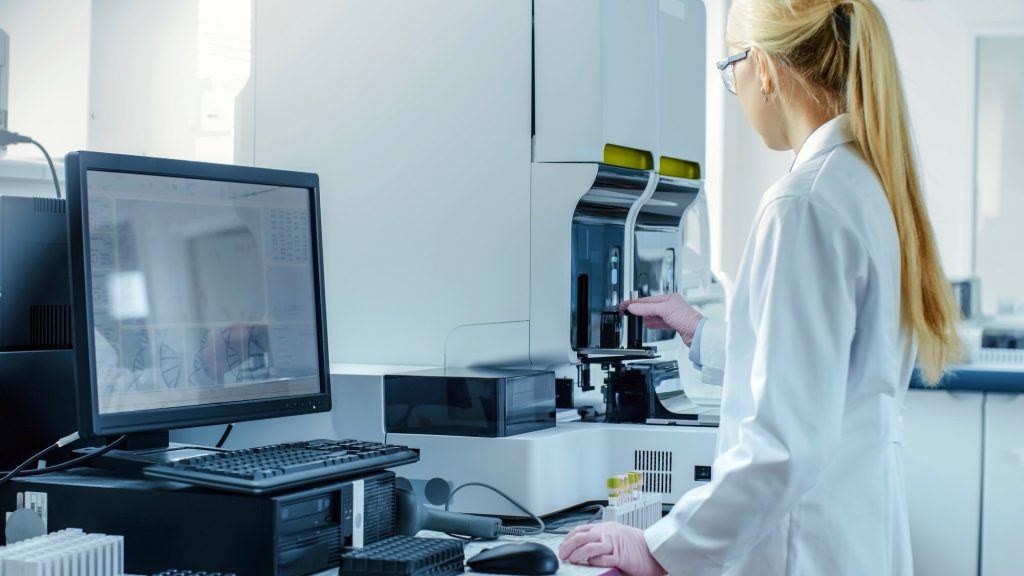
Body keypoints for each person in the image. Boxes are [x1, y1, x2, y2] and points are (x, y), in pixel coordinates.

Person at [557, 0, 962, 574]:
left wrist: (662, 547)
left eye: (730, 68)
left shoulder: (803, 202)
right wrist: (699, 329)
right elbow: (822, 370)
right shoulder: (863, 185)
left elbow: (783, 446)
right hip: (854, 531)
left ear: (765, 67)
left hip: (807, 546)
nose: (734, 86)